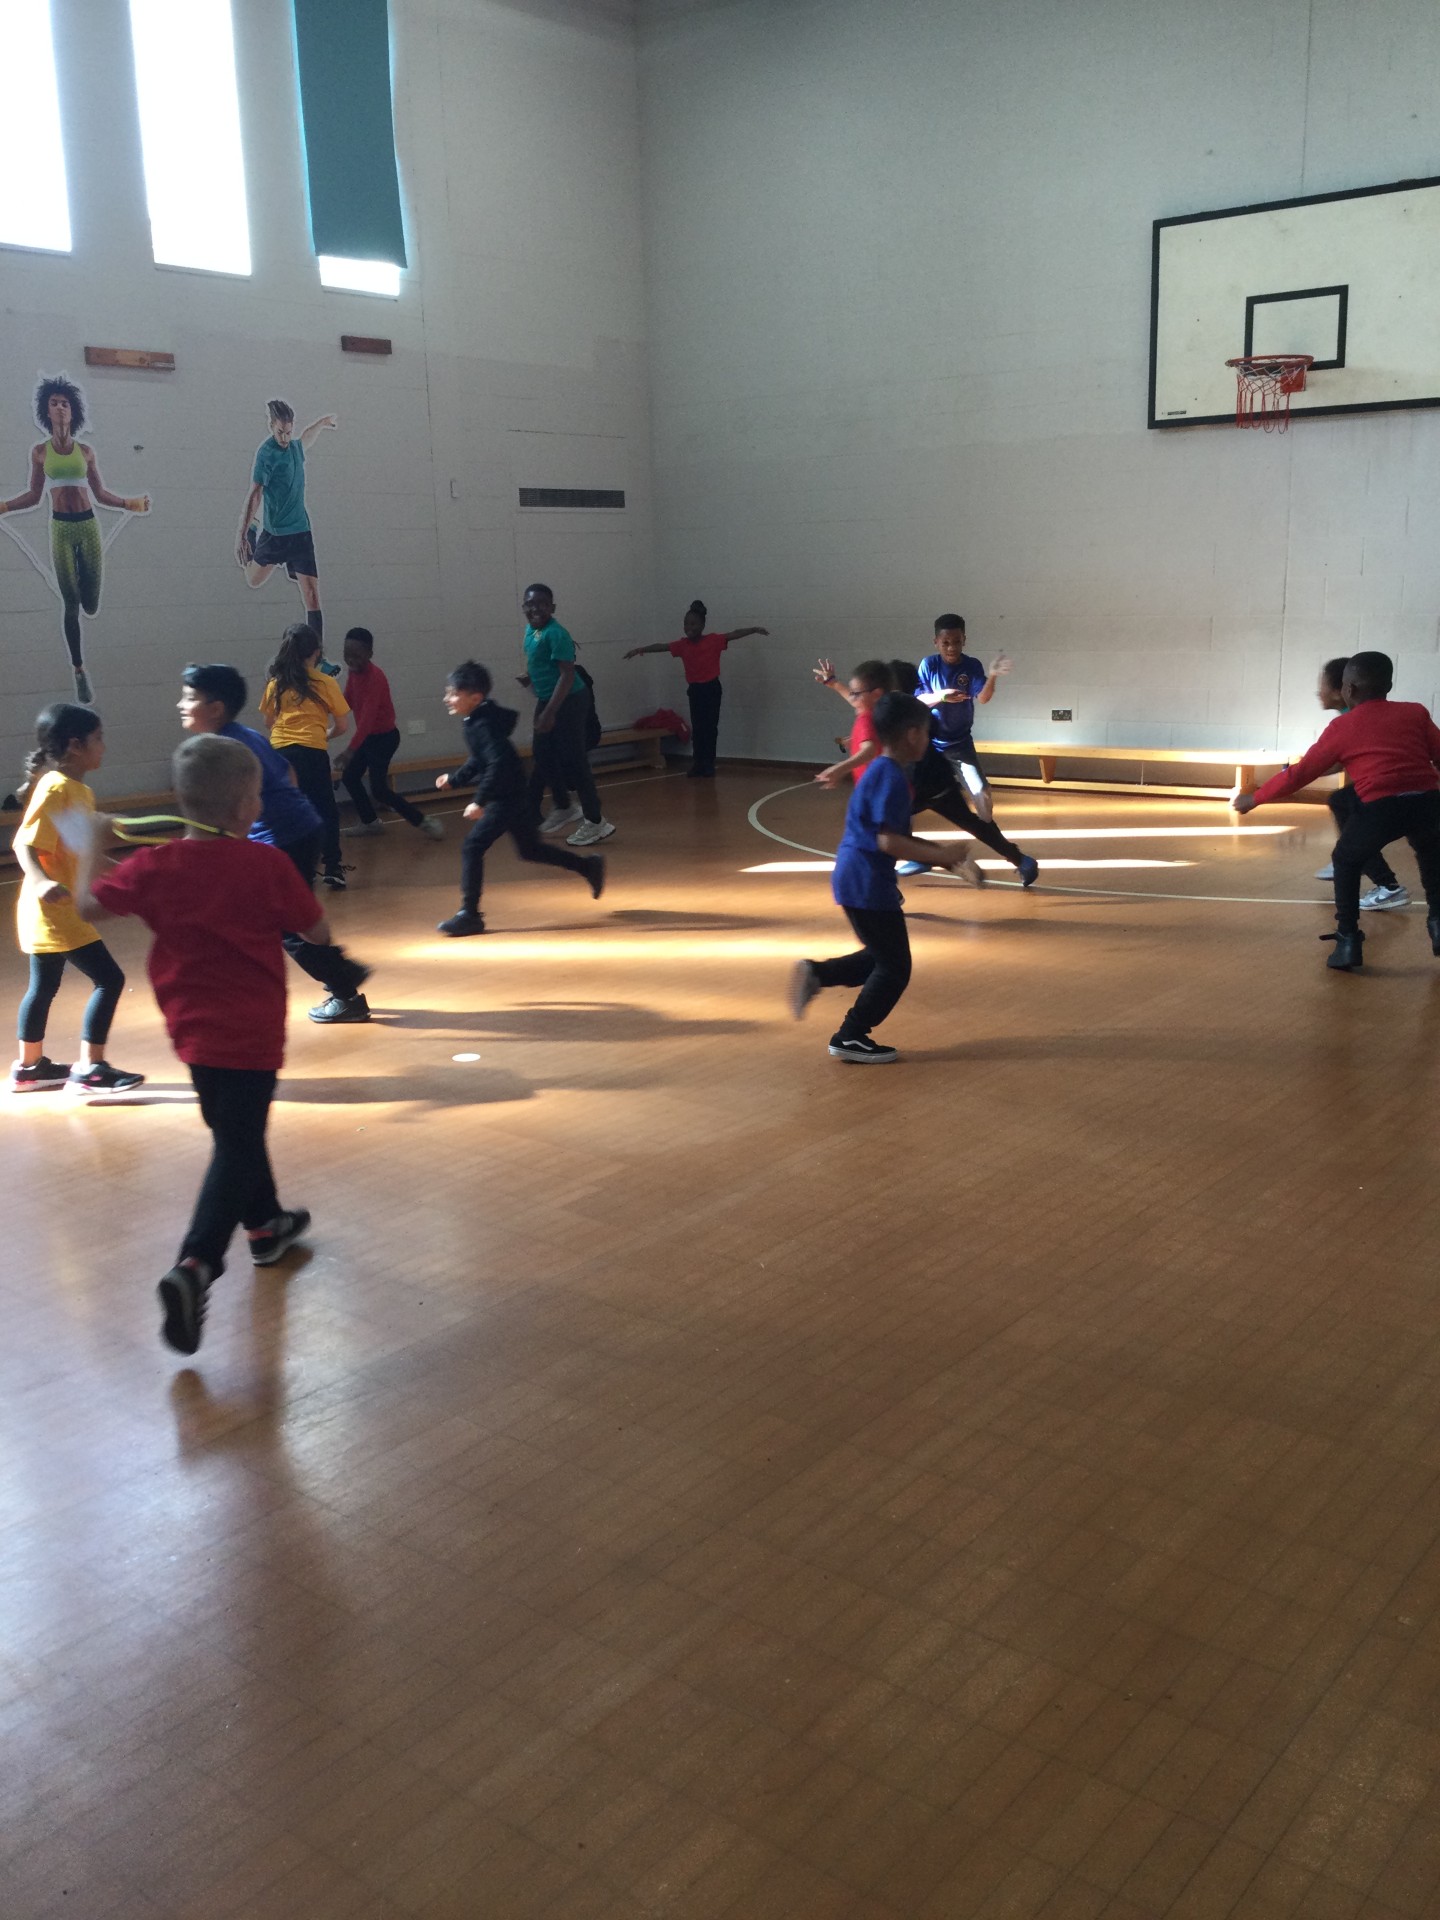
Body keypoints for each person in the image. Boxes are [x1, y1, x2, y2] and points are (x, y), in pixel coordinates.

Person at [77, 734, 323, 1353]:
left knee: (236, 1133)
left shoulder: (156, 866)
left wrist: (94, 847)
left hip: (191, 1032)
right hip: (254, 1031)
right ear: (246, 806)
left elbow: (87, 903)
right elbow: (316, 927)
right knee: (236, 1142)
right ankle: (196, 1266)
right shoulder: (267, 865)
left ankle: (265, 1227)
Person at [789, 691, 978, 1063]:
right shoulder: (892, 778)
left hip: (853, 877)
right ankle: (851, 1034)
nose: (927, 739)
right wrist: (943, 855)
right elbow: (889, 840)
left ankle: (816, 974)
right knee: (895, 967)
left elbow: (895, 836)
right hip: (867, 883)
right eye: (925, 732)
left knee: (880, 957)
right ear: (912, 735)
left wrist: (948, 861)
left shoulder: (881, 769)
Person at [179, 663, 374, 1023]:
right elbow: (288, 773)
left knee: (286, 926)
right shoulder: (245, 735)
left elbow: (238, 806)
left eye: (190, 698)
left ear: (216, 708)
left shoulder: (223, 749)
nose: (181, 704)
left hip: (283, 839)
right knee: (292, 917)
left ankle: (345, 989)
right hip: (301, 829)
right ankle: (342, 975)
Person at [1234, 651, 1440, 972]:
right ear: (1388, 685)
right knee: (1431, 859)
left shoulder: (1342, 726)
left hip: (1382, 807)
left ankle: (1348, 941)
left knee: (1345, 859)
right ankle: (1438, 925)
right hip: (1428, 802)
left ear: (1349, 690)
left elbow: (1301, 774)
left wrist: (1256, 798)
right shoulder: (1415, 712)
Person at [9, 702, 143, 1094]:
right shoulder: (55, 787)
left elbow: (84, 854)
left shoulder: (77, 791)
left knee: (44, 986)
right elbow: (24, 845)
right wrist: (40, 883)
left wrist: (131, 876)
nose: (104, 746)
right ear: (75, 746)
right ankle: (92, 1068)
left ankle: (30, 1067)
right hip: (54, 909)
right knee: (110, 979)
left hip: (55, 908)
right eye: (98, 739)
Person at [814, 657, 1039, 886]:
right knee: (967, 824)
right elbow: (858, 701)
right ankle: (1020, 859)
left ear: (885, 691)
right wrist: (834, 684)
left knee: (890, 833)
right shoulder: (902, 708)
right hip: (933, 783)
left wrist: (841, 766)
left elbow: (869, 738)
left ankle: (912, 869)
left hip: (917, 785)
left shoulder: (898, 712)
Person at [0, 374, 150, 705]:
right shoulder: (40, 452)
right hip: (61, 527)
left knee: (91, 604)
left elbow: (100, 493)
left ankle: (82, 583)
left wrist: (130, 503)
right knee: (70, 603)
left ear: (73, 410)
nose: (60, 408)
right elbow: (34, 495)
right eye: (54, 403)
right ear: (46, 410)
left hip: (87, 525)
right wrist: (5, 506)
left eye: (65, 403)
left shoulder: (86, 451)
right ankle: (79, 670)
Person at [433, 662, 605, 936]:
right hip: (513, 793)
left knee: (472, 846)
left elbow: (497, 763)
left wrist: (479, 800)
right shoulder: (478, 719)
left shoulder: (483, 725)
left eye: (453, 693)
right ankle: (588, 866)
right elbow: (481, 759)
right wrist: (455, 780)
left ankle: (470, 914)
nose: (447, 698)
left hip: (507, 797)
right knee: (530, 850)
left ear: (475, 698)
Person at [624, 601, 770, 777]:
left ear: (702, 625)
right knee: (699, 729)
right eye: (686, 624)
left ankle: (708, 763)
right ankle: (698, 763)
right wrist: (640, 650)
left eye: (693, 624)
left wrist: (753, 629)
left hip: (711, 689)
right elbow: (661, 646)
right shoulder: (682, 645)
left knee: (710, 728)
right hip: (695, 691)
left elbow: (734, 634)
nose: (688, 627)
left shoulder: (713, 640)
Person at [519, 583, 615, 846]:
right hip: (547, 698)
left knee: (575, 760)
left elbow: (567, 674)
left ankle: (596, 822)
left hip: (569, 700)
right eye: (530, 604)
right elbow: (543, 664)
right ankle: (564, 805)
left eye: (542, 603)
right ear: (524, 607)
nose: (536, 608)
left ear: (552, 607)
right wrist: (532, 679)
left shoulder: (556, 633)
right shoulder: (531, 630)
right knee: (541, 752)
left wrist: (550, 711)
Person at [1310, 656, 1407, 909]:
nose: (1317, 691)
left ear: (1343, 689)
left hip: (1394, 793)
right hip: (1401, 790)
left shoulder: (1353, 718)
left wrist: (1303, 770)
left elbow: (1334, 762)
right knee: (1343, 802)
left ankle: (1387, 886)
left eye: (1322, 684)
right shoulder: (1351, 715)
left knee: (1351, 812)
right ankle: (1354, 855)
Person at [259, 622, 351, 888]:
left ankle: (296, 870)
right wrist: (323, 734)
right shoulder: (325, 682)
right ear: (316, 652)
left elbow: (269, 723)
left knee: (287, 810)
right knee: (325, 809)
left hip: (280, 754)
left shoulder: (275, 684)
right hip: (312, 752)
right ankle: (333, 866)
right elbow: (342, 726)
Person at [235, 400, 336, 642]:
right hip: (275, 534)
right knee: (253, 579)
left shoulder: (295, 448)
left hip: (300, 531)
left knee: (311, 595)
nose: (284, 438)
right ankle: (253, 531)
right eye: (280, 432)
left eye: (288, 432)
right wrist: (242, 533)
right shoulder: (266, 454)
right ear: (271, 426)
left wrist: (322, 423)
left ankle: (317, 655)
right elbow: (256, 493)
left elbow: (307, 437)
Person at [336, 627, 445, 844]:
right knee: (349, 777)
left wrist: (350, 750)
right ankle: (370, 822)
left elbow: (366, 720)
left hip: (384, 739)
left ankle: (424, 821)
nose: (351, 660)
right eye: (347, 654)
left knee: (379, 789)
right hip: (369, 738)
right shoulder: (353, 672)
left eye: (357, 655)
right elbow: (347, 700)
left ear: (370, 653)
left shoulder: (375, 677)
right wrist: (325, 711)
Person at [916, 615, 1011, 822]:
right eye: (945, 643)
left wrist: (993, 675)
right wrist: (941, 696)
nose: (951, 647)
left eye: (956, 642)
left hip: (959, 744)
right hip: (929, 744)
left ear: (964, 640)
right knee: (909, 794)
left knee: (982, 791)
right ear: (936, 642)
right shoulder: (929, 664)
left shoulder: (971, 665)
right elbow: (920, 700)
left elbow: (984, 698)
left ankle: (989, 831)